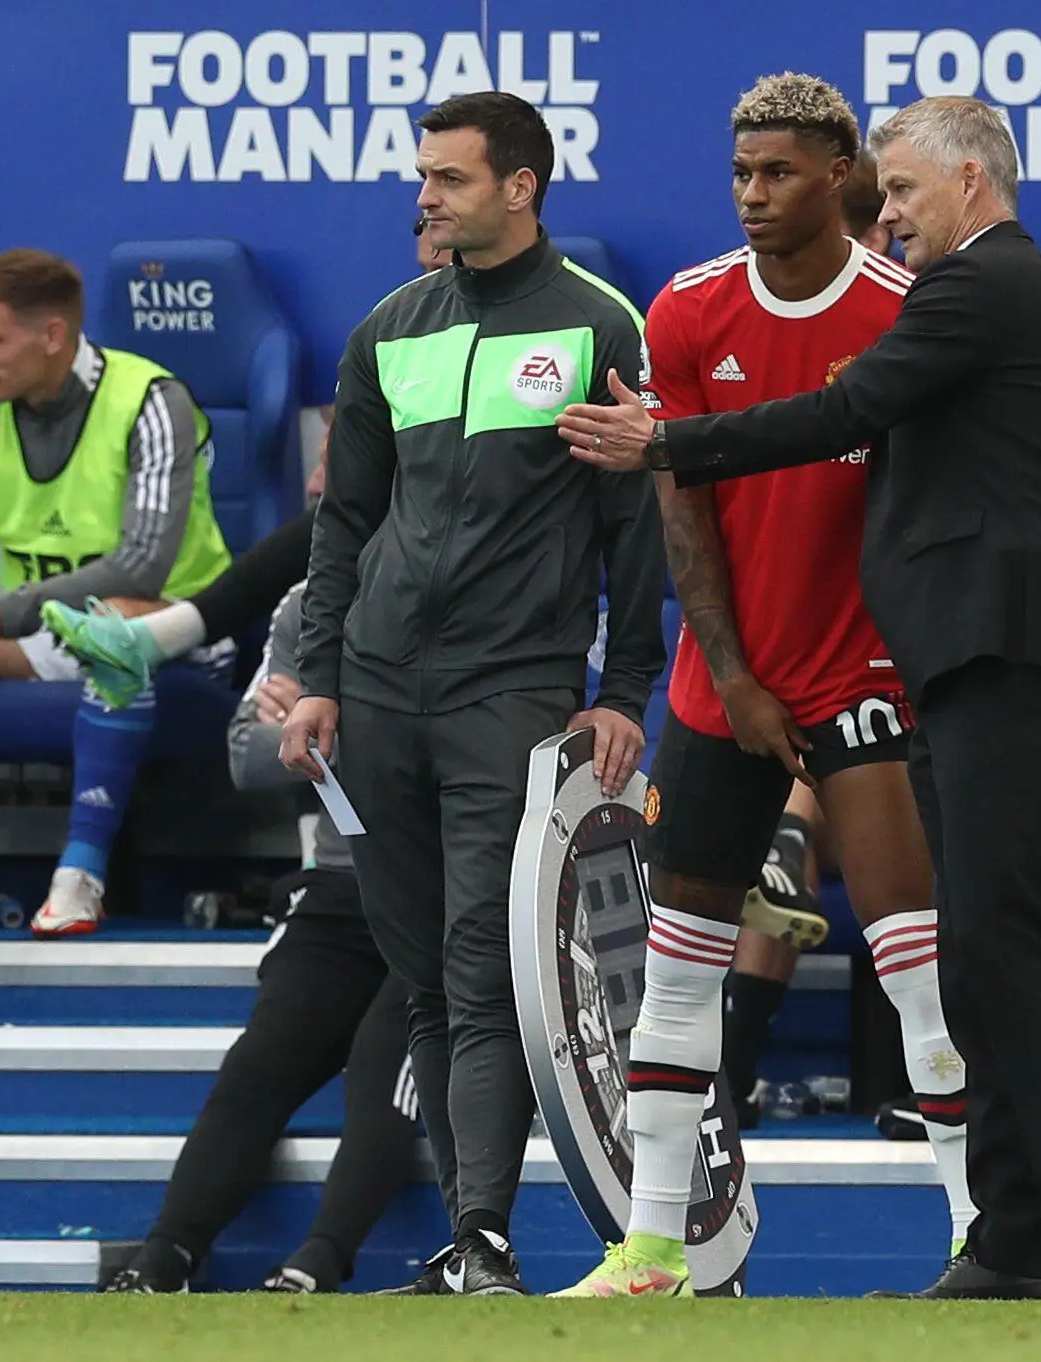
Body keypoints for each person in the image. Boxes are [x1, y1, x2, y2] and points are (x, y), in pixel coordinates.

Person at [561, 95, 1041, 1300]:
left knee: (996, 952)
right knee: (982, 954)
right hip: (940, 663)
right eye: (880, 194)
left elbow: (839, 414)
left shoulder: (972, 289)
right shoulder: (727, 301)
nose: (887, 215)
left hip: (981, 658)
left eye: (902, 192)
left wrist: (666, 444)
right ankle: (1007, 1240)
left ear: (972, 187)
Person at [552, 74, 975, 1299]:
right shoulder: (683, 310)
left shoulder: (907, 310)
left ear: (842, 175)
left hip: (867, 677)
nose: (751, 196)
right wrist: (730, 675)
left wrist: (880, 665)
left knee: (915, 970)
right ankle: (650, 1253)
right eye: (740, 173)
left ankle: (973, 1234)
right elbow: (680, 505)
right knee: (678, 974)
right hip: (717, 691)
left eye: (778, 173)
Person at [281, 91, 668, 1297]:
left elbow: (636, 530)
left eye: (449, 178)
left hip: (511, 692)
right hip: (378, 699)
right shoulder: (388, 327)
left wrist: (629, 690)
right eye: (422, 177)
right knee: (423, 973)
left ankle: (487, 1239)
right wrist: (320, 679)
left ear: (521, 186)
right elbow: (345, 526)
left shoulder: (599, 324)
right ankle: (468, 1243)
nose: (426, 197)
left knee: (476, 962)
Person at [106, 580, 417, 1294]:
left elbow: (465, 762)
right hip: (343, 882)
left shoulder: (485, 569)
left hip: (452, 887)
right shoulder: (309, 600)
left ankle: (320, 1259)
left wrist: (324, 727)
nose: (321, 489)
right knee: (260, 1062)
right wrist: (348, 733)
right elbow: (249, 758)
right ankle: (167, 1256)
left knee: (385, 1056)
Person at [0, 249, 234, 936]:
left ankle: (80, 877)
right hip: (46, 638)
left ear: (53, 336)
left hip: (178, 637)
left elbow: (142, 566)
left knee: (114, 628)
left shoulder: (152, 400)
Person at [45, 235, 456, 705]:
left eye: (442, 266)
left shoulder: (537, 329)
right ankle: (158, 638)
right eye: (425, 268)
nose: (431, 283)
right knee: (334, 518)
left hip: (489, 542)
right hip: (413, 535)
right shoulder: (405, 336)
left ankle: (163, 635)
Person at [721, 142, 908, 1110]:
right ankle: (729, 1080)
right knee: (798, 757)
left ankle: (788, 840)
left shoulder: (925, 331)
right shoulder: (757, 333)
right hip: (816, 678)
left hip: (908, 666)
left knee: (819, 783)